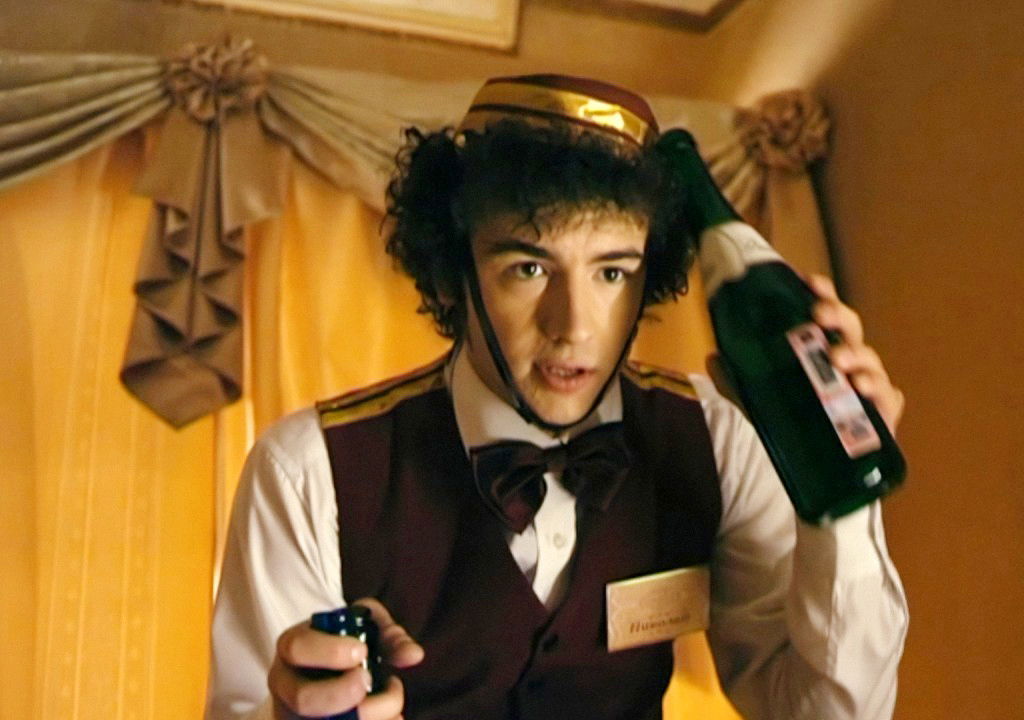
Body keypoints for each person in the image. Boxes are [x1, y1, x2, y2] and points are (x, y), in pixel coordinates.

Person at [205, 74, 907, 720]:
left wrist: (839, 492)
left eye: (612, 273)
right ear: (452, 276)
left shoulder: (716, 439)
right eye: (530, 268)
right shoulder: (309, 469)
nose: (574, 327)